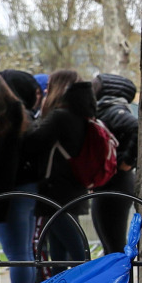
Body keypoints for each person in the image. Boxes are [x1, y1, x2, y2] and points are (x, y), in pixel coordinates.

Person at [21, 70, 95, 265]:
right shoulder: (81, 114)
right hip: (72, 187)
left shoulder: (59, 117)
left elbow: (31, 144)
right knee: (59, 250)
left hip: (55, 190)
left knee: (76, 250)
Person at [0, 69, 41, 283]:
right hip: (28, 188)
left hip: (10, 190)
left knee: (17, 254)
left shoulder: (4, 120)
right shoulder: (26, 118)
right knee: (25, 252)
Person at [91, 74, 138, 255]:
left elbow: (136, 127)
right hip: (108, 183)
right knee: (109, 245)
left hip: (117, 183)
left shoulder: (113, 110)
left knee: (114, 247)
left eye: (96, 84)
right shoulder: (103, 110)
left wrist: (126, 161)